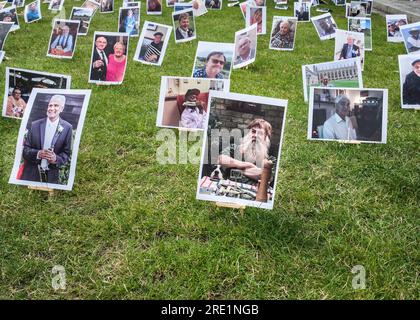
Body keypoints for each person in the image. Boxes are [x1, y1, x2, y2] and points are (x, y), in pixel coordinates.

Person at [21, 95, 73, 184]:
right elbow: (25, 150)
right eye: (50, 105)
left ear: (62, 108)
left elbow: (66, 153)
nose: (52, 108)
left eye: (56, 105)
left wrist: (55, 159)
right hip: (31, 174)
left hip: (51, 176)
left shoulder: (67, 127)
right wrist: (38, 154)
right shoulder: (35, 125)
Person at [217, 119, 274, 184]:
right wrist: (248, 165)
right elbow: (220, 159)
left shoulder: (270, 158)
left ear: (266, 137)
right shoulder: (235, 148)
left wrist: (237, 169)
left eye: (260, 133)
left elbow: (266, 176)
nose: (255, 135)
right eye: (253, 131)